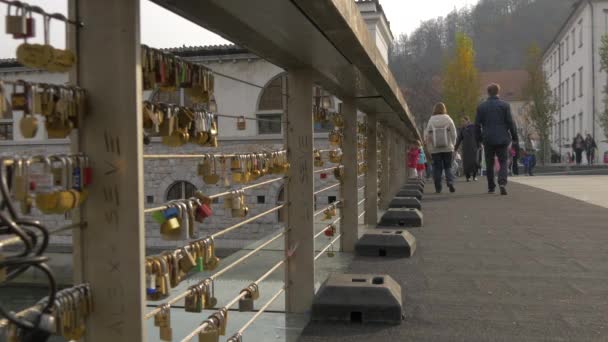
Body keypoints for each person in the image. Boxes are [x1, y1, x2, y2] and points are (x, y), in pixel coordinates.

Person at [475, 83, 518, 195]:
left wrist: (478, 139)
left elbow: (477, 125)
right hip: (502, 138)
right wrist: (514, 136)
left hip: (487, 138)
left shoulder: (481, 107)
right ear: (498, 92)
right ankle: (502, 182)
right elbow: (510, 122)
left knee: (489, 163)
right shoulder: (504, 105)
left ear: (488, 92)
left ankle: (491, 187)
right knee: (503, 161)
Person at [425, 102, 457, 193]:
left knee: (437, 167)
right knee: (448, 166)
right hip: (447, 147)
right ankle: (450, 182)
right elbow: (453, 133)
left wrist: (429, 147)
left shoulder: (431, 120)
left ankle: (438, 187)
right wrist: (453, 144)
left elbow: (427, 135)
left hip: (435, 149)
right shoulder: (448, 119)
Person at [454, 116, 480, 181]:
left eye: (463, 121)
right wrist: (455, 148)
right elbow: (459, 139)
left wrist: (480, 144)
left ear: (468, 121)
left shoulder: (474, 127)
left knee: (474, 162)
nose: (462, 123)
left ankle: (474, 176)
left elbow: (478, 136)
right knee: (466, 163)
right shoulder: (462, 129)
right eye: (462, 121)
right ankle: (467, 177)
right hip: (465, 148)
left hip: (473, 147)